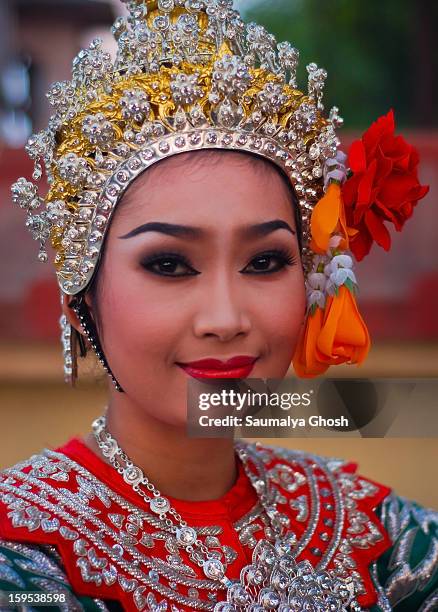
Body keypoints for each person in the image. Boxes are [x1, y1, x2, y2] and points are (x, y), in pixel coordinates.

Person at [1, 1, 436, 610]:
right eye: (169, 265)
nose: (227, 318)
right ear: (82, 304)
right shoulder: (21, 559)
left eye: (265, 262)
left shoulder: (393, 539)